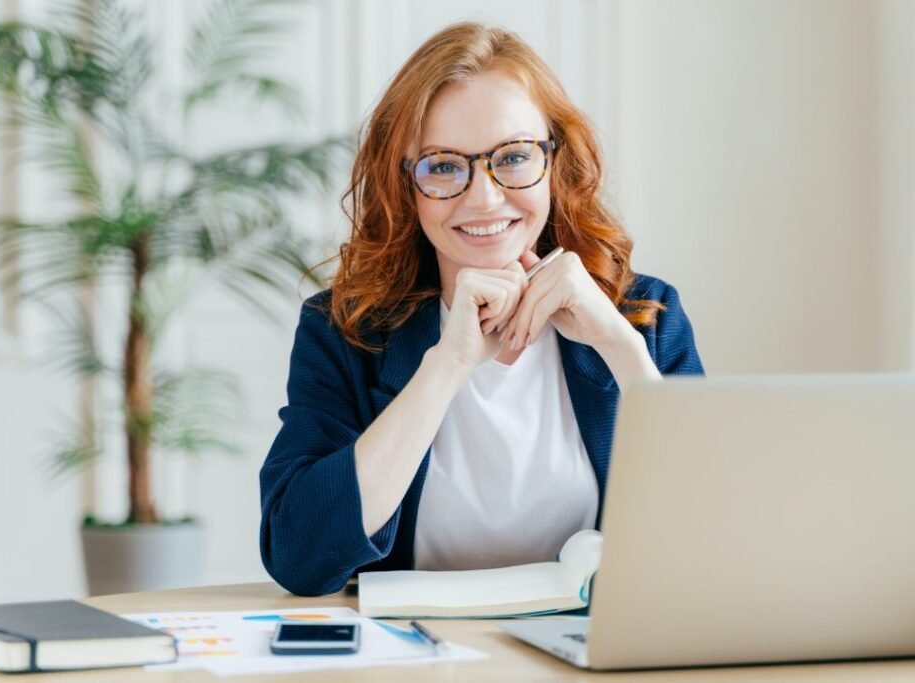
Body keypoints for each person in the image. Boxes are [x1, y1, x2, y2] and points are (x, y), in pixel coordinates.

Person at [258, 22, 704, 597]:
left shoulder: (645, 314)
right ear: (406, 185)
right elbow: (300, 557)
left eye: (514, 157)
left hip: (588, 654)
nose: (484, 197)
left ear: (556, 161)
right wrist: (446, 366)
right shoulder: (344, 329)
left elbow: (715, 536)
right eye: (443, 166)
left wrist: (621, 347)